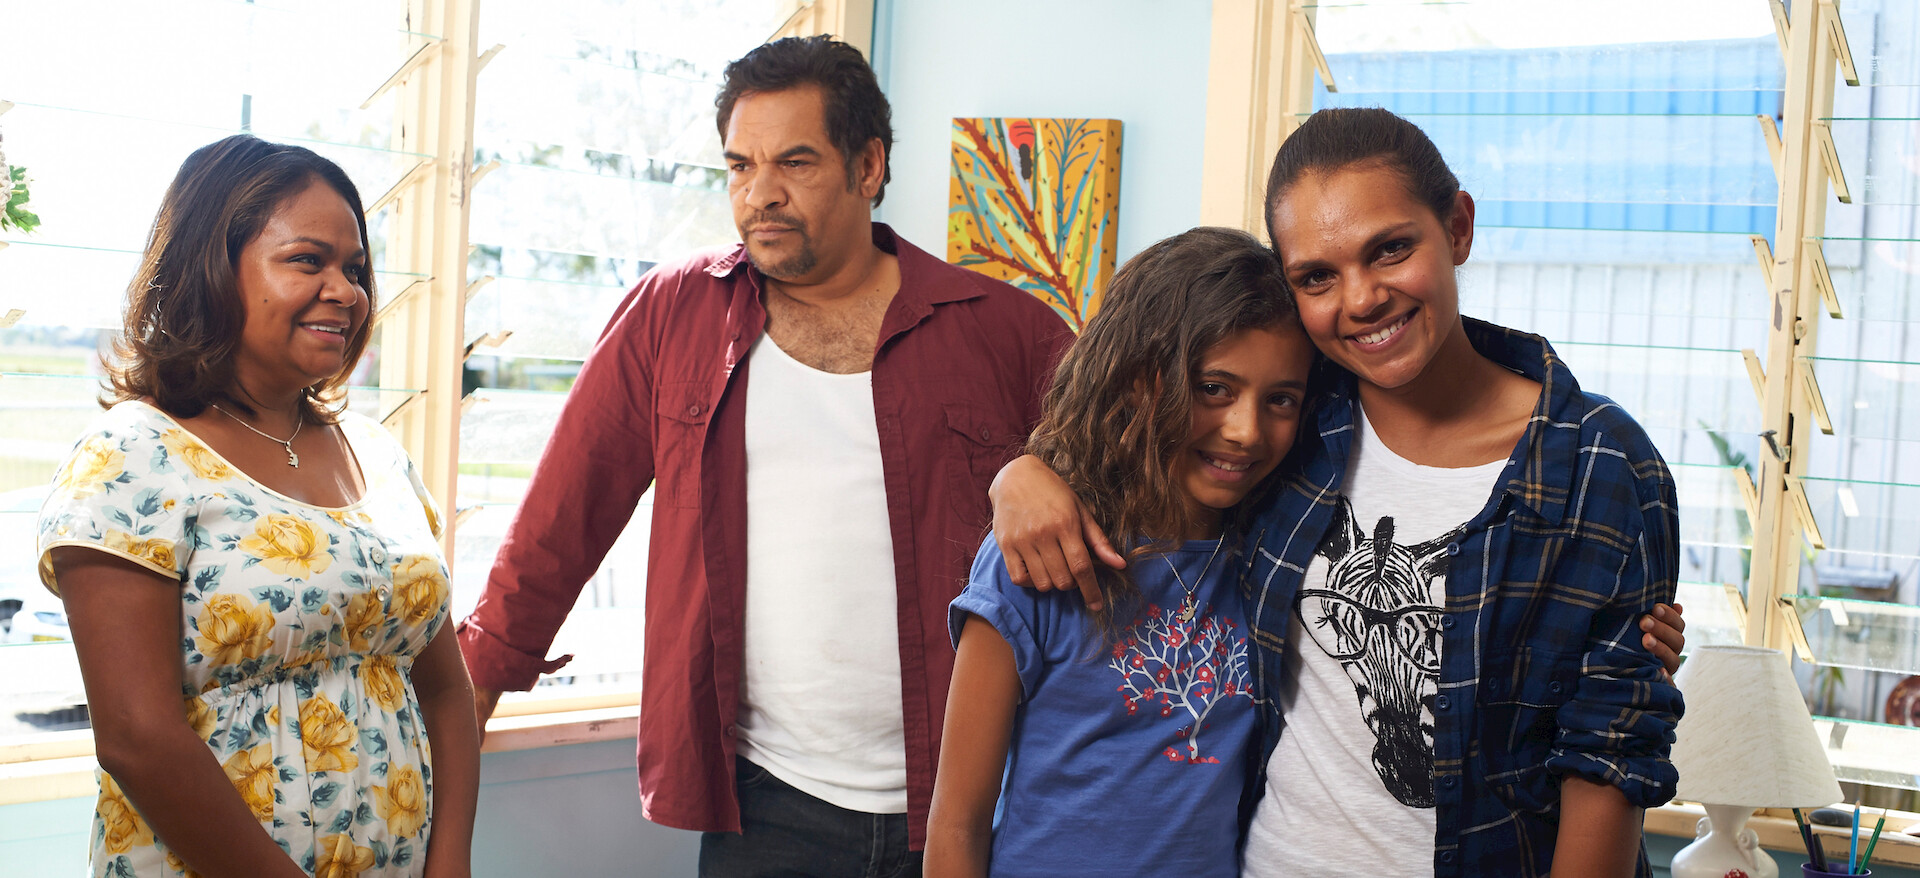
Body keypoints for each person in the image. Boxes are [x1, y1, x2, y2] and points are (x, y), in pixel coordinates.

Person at [989, 108, 1686, 876]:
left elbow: (1610, 753)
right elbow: (1143, 433)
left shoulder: (1596, 462)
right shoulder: (1295, 422)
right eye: (1317, 276)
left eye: (1390, 249)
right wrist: (1023, 473)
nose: (1361, 299)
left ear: (1457, 227)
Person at [454, 36, 1071, 877]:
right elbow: (564, 514)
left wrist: (1035, 472)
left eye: (795, 163)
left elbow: (1125, 507)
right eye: (740, 167)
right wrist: (470, 694)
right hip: (769, 806)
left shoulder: (1007, 331)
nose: (760, 195)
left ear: (868, 166)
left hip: (976, 804)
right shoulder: (671, 315)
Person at [35, 134, 479, 878]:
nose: (346, 291)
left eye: (355, 269)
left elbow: (443, 689)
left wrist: (451, 863)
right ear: (210, 269)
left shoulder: (380, 457)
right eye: (308, 260)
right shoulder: (133, 457)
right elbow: (138, 736)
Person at [924, 227, 1315, 878]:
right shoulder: (1038, 555)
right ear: (1139, 379)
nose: (1246, 431)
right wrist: (1017, 474)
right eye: (1214, 388)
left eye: (1280, 400)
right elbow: (957, 824)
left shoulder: (1269, 554)